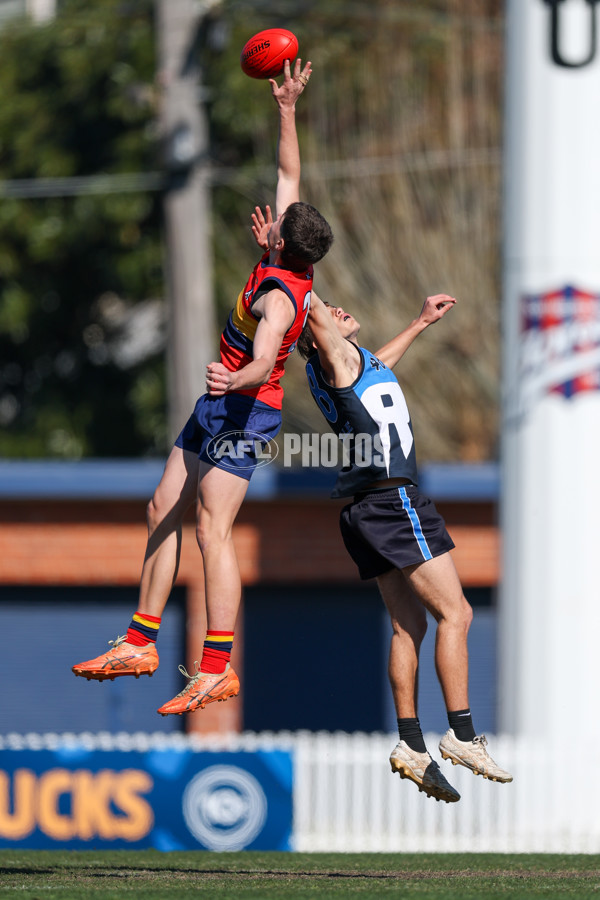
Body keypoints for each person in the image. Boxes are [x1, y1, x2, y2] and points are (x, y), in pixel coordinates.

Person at [72, 58, 333, 717]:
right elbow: (290, 173)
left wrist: (234, 374)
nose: (273, 213)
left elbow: (267, 353)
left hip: (248, 411)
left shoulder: (279, 296)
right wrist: (286, 110)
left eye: (279, 219)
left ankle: (218, 666)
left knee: (214, 530)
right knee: (163, 507)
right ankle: (140, 641)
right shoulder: (282, 250)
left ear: (282, 242)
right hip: (218, 408)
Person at [292, 286, 512, 803]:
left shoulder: (351, 363)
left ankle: (411, 745)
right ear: (317, 334)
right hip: (394, 501)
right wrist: (287, 248)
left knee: (407, 626)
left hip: (365, 509)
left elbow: (379, 365)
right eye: (329, 313)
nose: (339, 309)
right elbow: (310, 300)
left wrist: (419, 323)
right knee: (456, 615)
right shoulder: (330, 351)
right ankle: (461, 735)